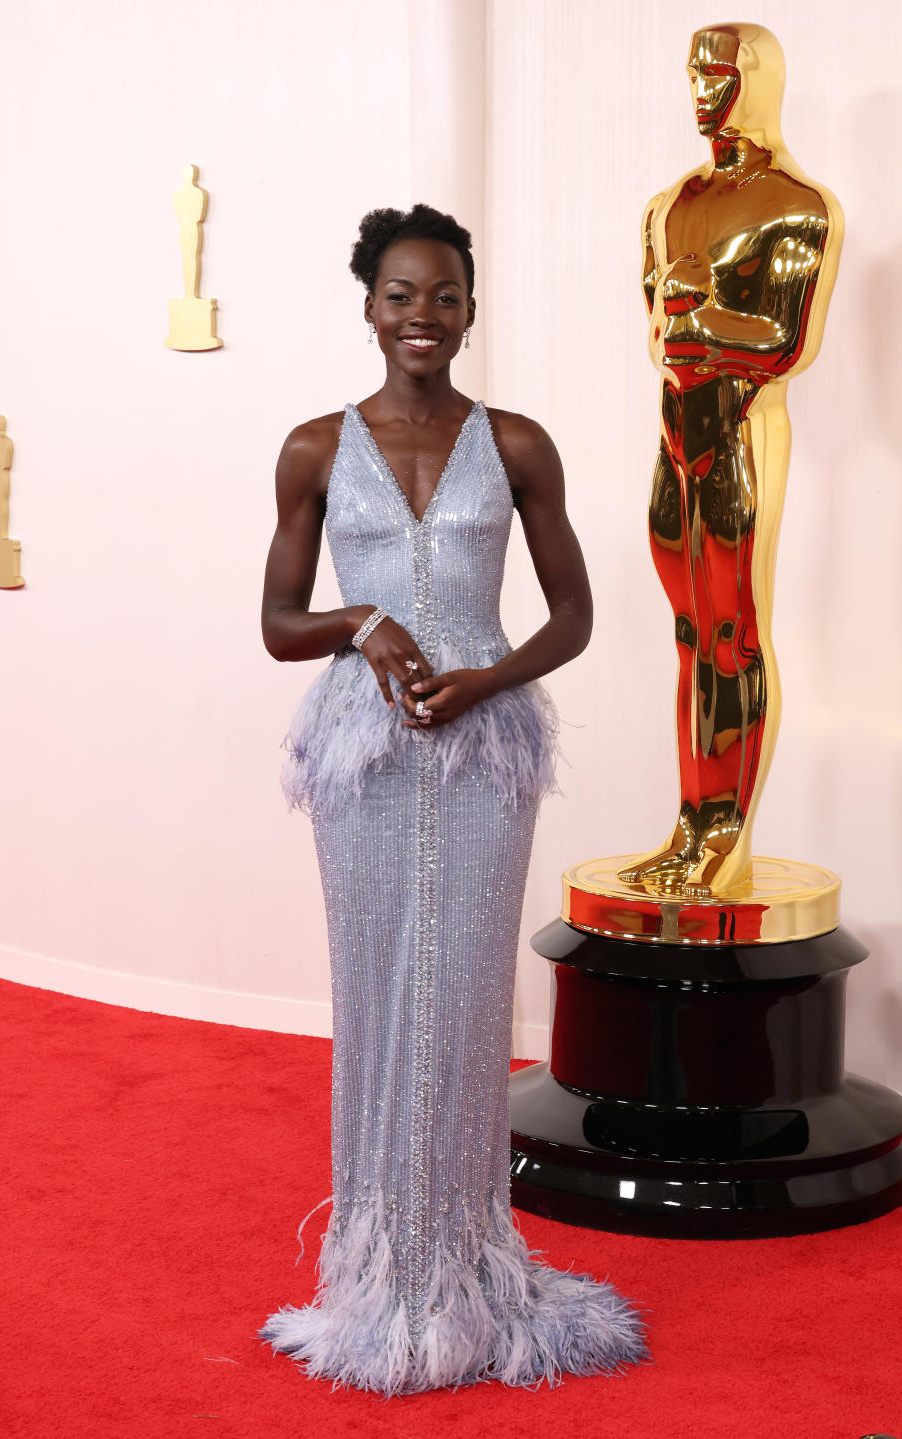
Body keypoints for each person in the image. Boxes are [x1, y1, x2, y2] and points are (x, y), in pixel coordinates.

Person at [259, 204, 645, 1393]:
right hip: (362, 753)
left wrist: (489, 675)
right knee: (376, 985)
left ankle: (468, 1264)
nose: (422, 317)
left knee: (471, 993)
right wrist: (363, 623)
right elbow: (279, 626)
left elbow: (573, 613)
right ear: (367, 306)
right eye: (400, 296)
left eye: (444, 297)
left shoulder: (518, 444)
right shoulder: (316, 447)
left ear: (470, 310)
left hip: (486, 751)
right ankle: (380, 1272)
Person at [618, 22, 841, 898]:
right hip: (676, 434)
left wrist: (698, 315)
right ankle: (690, 825)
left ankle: (728, 842)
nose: (703, 89)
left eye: (719, 71)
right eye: (693, 72)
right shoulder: (669, 202)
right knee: (688, 637)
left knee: (732, 634)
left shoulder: (799, 205)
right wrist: (680, 319)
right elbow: (655, 336)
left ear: (756, 79)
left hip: (745, 430)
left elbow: (784, 342)